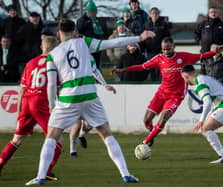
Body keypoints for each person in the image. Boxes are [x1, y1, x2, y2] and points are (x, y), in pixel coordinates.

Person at [25, 19, 155, 185]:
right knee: (106, 133)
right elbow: (113, 42)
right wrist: (140, 37)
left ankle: (41, 177)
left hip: (67, 98)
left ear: (59, 34)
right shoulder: (83, 42)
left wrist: (52, 106)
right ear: (74, 32)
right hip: (89, 95)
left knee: (51, 137)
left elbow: (51, 85)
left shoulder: (52, 55)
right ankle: (126, 174)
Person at [112, 37, 223, 147]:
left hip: (176, 94)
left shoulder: (183, 57)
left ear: (174, 47)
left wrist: (214, 52)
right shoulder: (159, 59)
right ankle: (152, 133)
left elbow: (201, 56)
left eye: (168, 49)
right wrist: (123, 69)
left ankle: (145, 142)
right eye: (164, 49)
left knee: (164, 116)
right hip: (162, 93)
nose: (166, 51)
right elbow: (142, 66)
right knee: (146, 120)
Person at [0, 36, 61, 180]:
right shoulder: (55, 63)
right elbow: (57, 88)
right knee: (57, 139)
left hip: (27, 101)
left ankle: (0, 165)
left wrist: (19, 111)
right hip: (41, 102)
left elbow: (21, 91)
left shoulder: (30, 63)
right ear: (56, 49)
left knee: (17, 139)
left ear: (42, 47)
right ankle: (47, 170)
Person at [76, 0, 107, 69]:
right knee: (88, 65)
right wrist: (87, 21)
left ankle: (96, 78)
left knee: (96, 65)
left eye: (95, 12)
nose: (94, 14)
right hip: (87, 46)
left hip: (97, 46)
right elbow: (79, 29)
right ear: (88, 12)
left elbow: (103, 31)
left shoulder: (97, 21)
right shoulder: (82, 20)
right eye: (93, 12)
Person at [144, 7, 170, 81]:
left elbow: (167, 38)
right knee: (151, 70)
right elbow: (143, 38)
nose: (154, 15)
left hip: (160, 52)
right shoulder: (146, 25)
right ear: (150, 15)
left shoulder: (164, 24)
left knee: (160, 70)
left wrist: (165, 49)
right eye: (153, 13)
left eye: (156, 13)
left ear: (158, 15)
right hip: (149, 52)